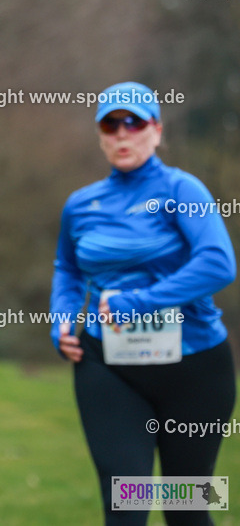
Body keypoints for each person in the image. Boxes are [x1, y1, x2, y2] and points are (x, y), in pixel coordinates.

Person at [49, 81, 237, 525]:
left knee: (187, 508)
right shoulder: (81, 204)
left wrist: (140, 302)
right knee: (127, 502)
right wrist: (61, 322)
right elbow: (68, 269)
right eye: (110, 125)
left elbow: (218, 263)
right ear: (100, 135)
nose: (121, 134)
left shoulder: (181, 189)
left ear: (156, 129)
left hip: (194, 369)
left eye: (133, 122)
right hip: (109, 368)